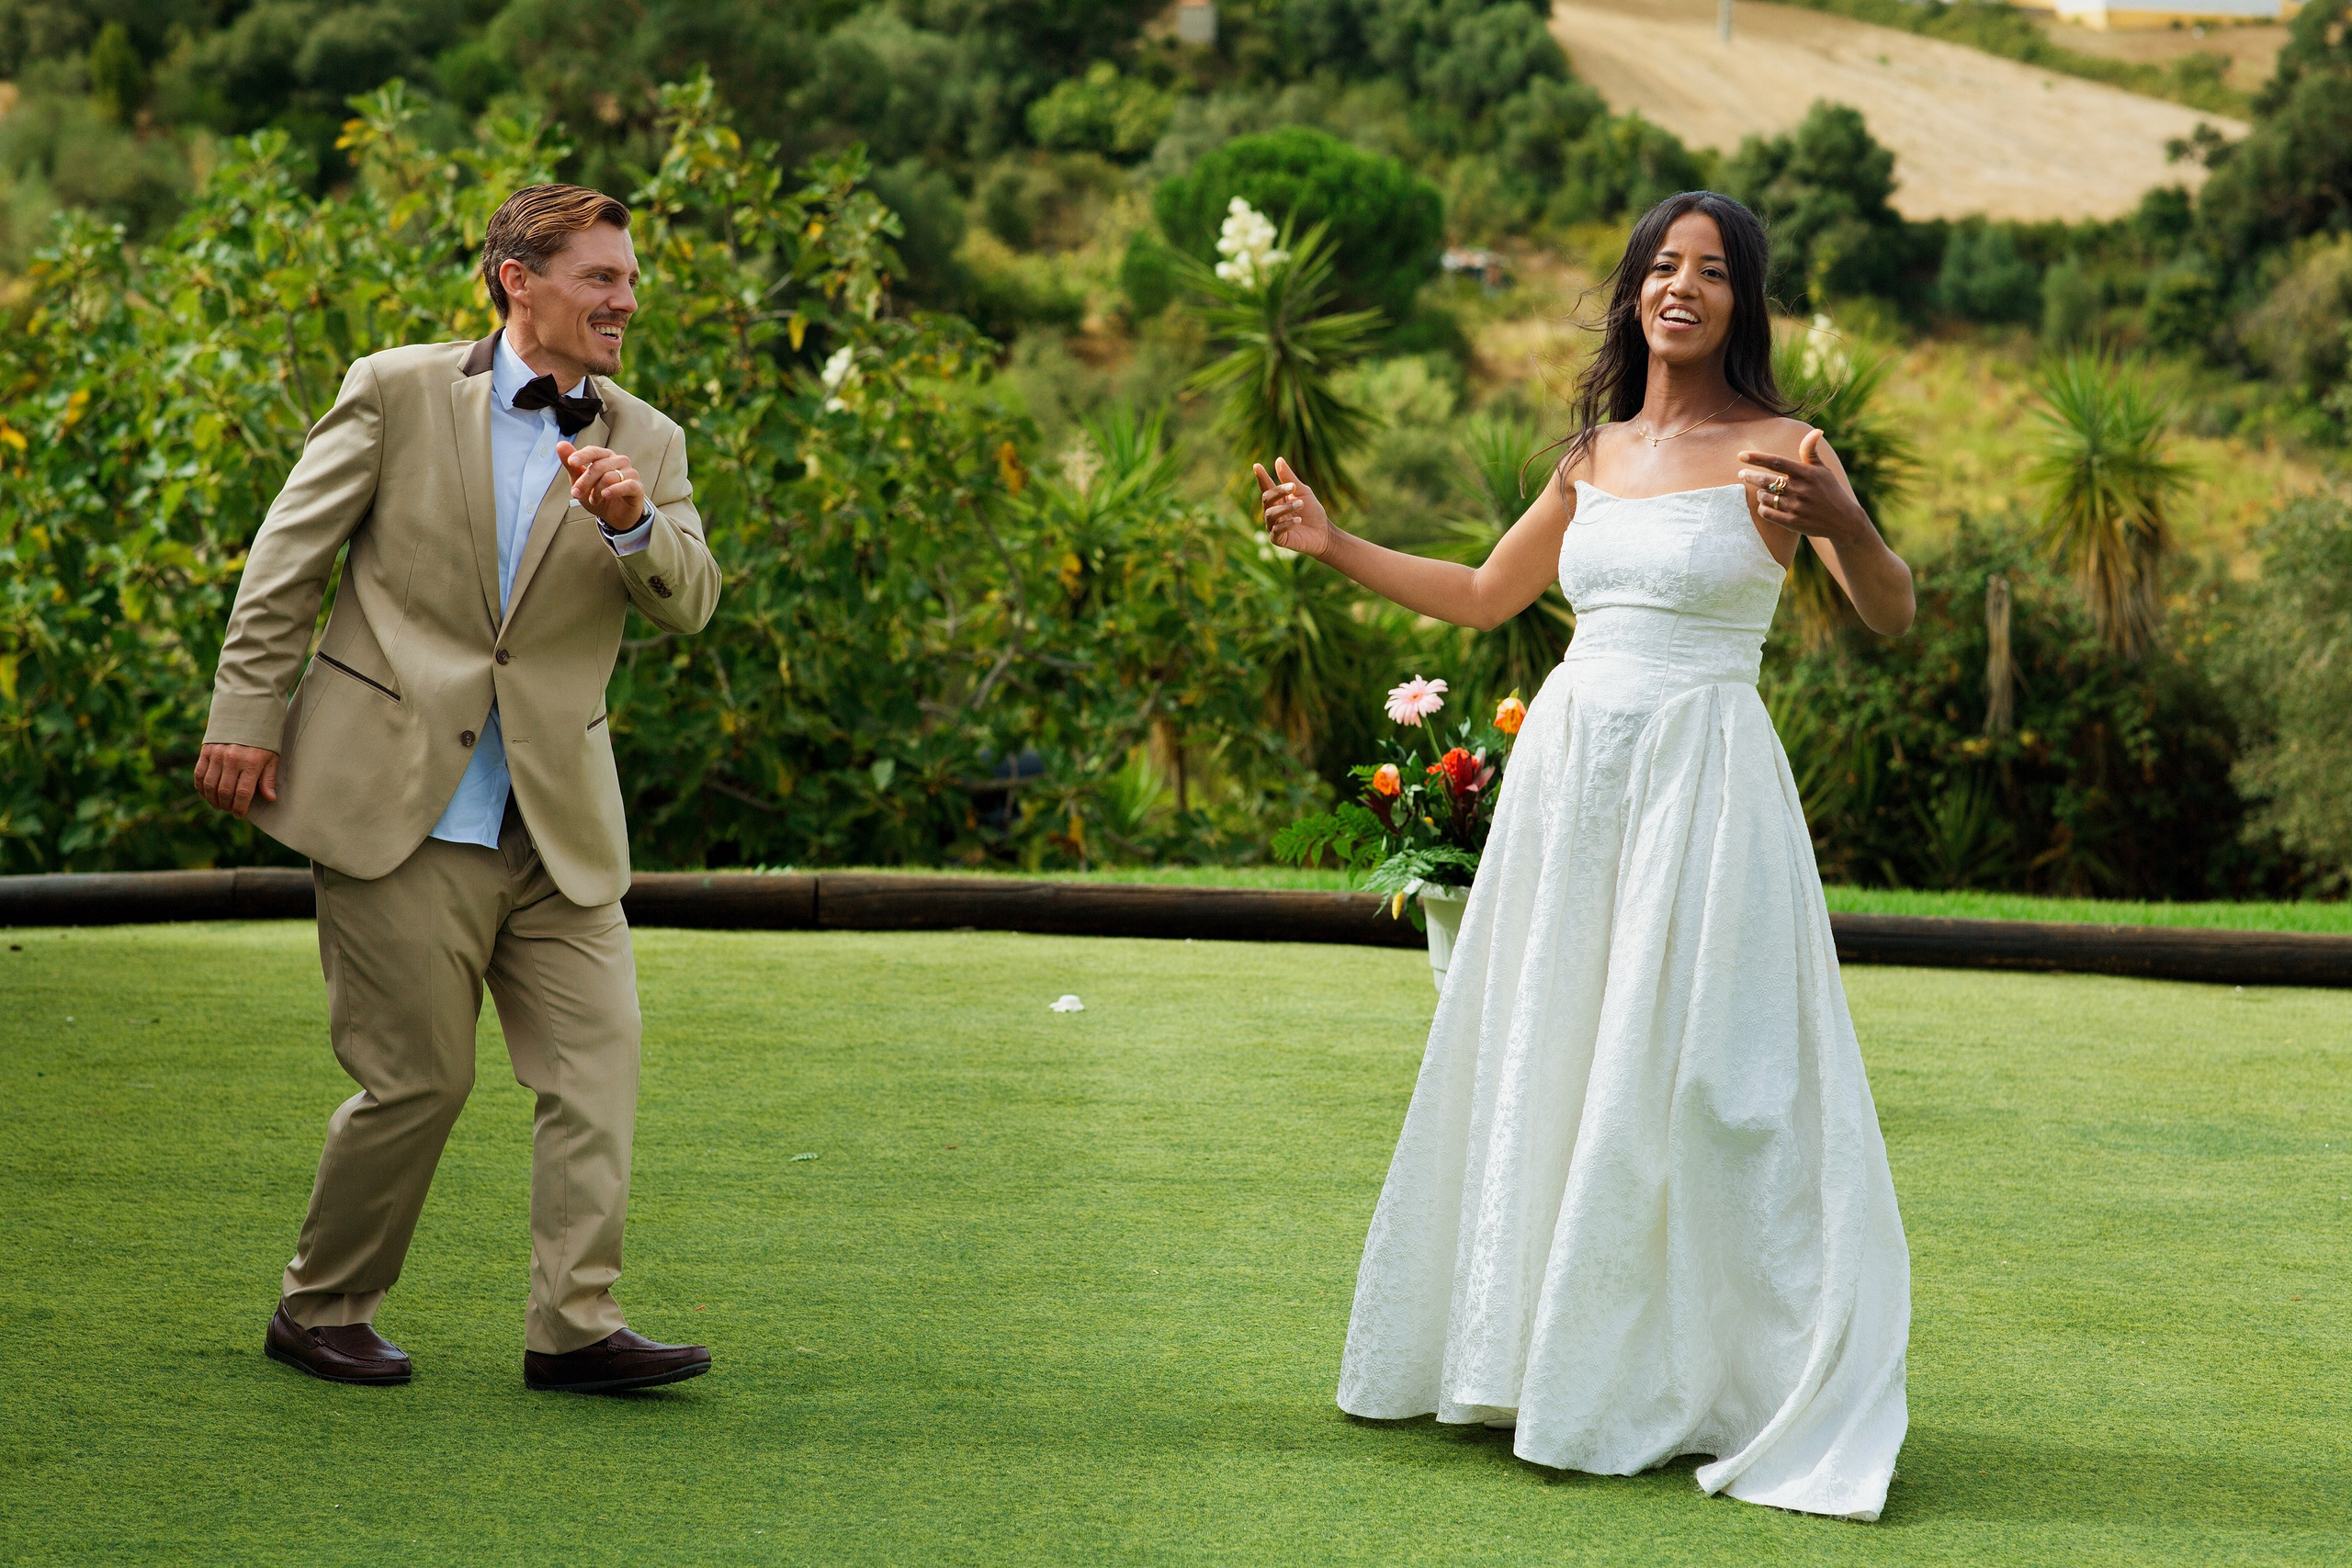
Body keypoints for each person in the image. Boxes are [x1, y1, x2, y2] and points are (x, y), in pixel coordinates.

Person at [1257, 190, 1915, 1520]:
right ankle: (1521, 1351)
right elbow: (1488, 596)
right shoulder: (1591, 455)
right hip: (1576, 778)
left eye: (1712, 271)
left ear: (1744, 301)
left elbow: (1891, 614)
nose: (1683, 287)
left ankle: (1715, 1371)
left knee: (1707, 1080)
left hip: (1705, 784)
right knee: (1553, 1049)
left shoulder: (1787, 448)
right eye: (1663, 266)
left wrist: (1844, 520)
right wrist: (1333, 545)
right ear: (1632, 291)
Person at [193, 185, 721, 1393]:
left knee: (601, 1070)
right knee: (418, 1080)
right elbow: (290, 561)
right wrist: (243, 715)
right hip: (399, 804)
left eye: (631, 280)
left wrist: (639, 525)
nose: (627, 300)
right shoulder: (393, 389)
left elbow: (692, 602)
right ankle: (320, 1307)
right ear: (514, 278)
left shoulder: (651, 438)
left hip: (561, 819)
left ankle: (575, 1327)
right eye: (601, 278)